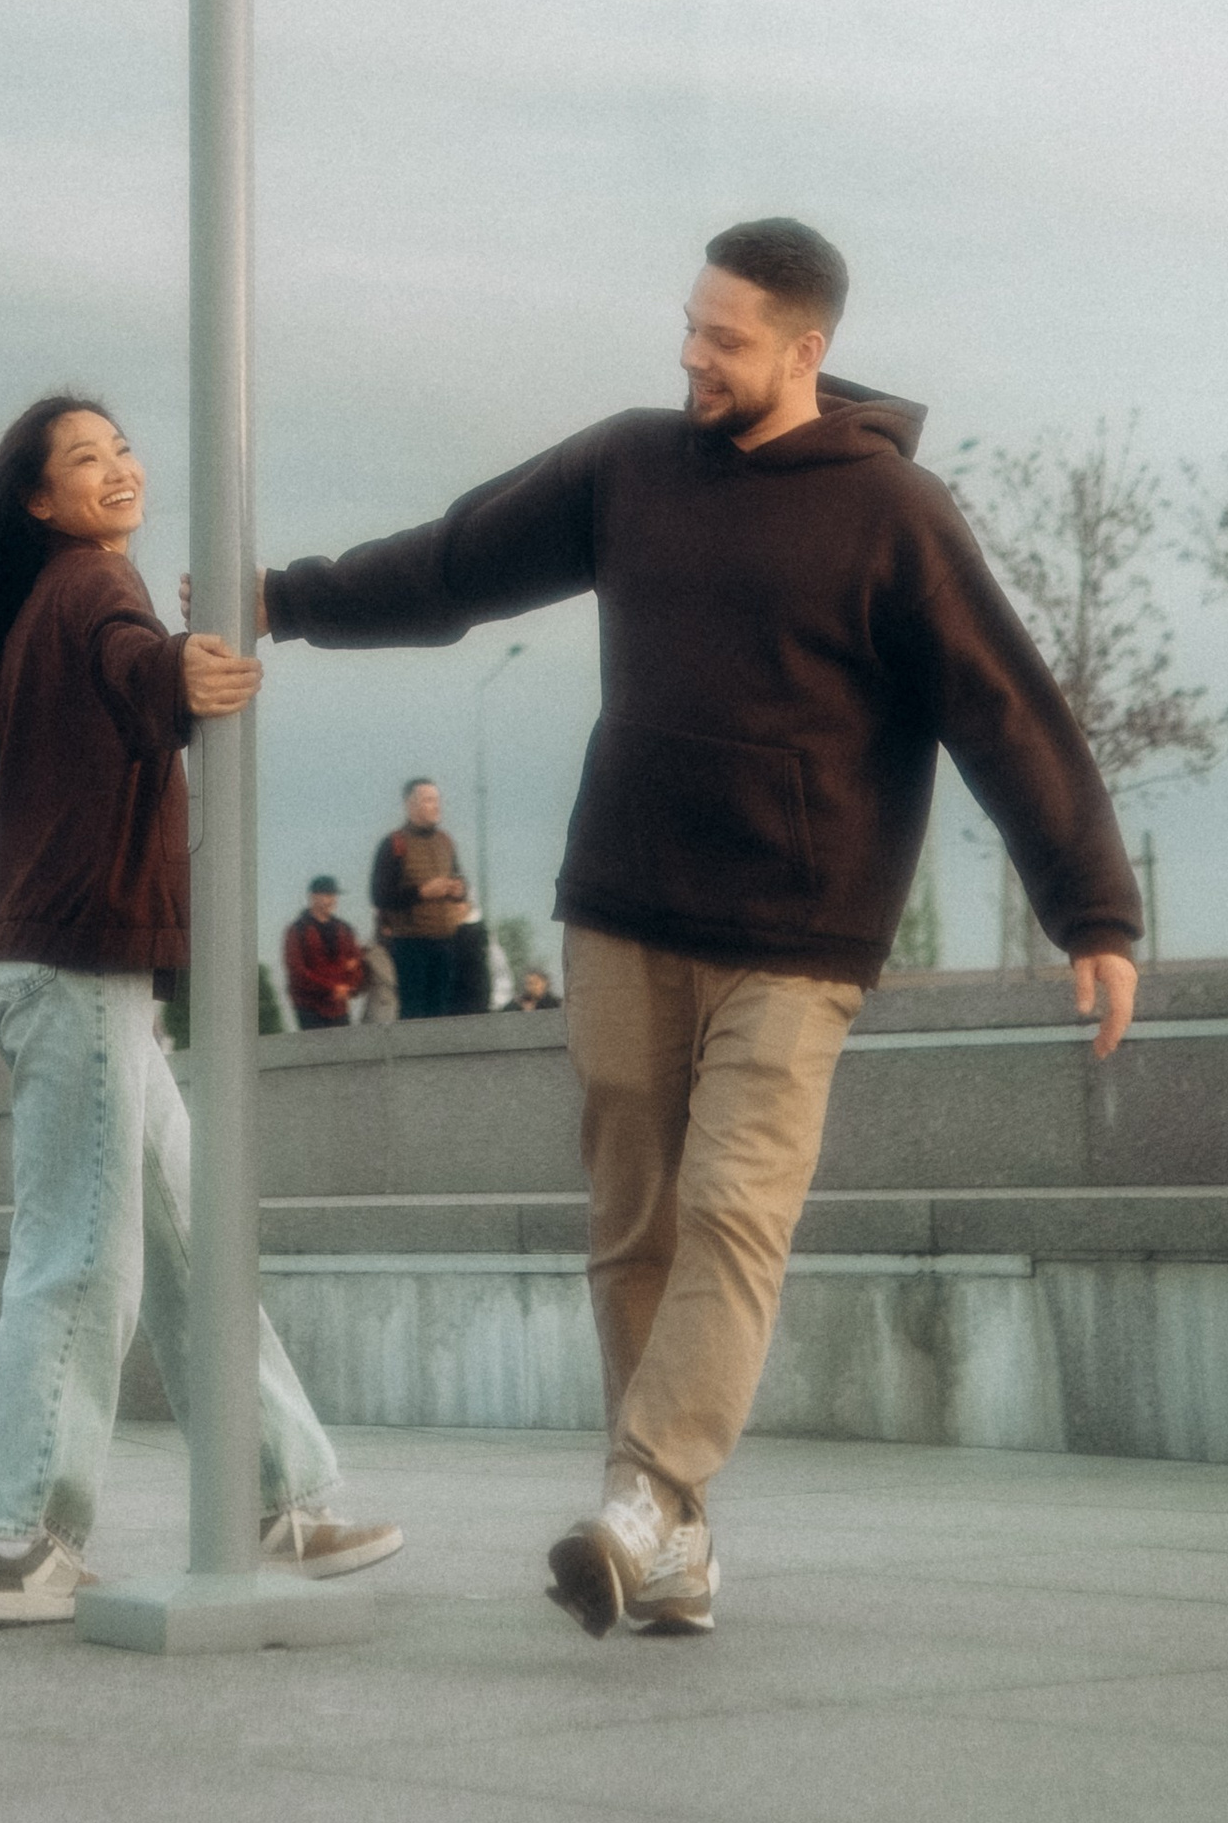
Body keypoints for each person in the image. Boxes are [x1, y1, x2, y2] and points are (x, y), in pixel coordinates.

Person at [264, 220, 1140, 1644]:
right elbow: (455, 566)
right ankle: (670, 1544)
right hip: (622, 907)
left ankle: (649, 1490)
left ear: (807, 351)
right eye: (690, 325)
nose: (692, 355)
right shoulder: (629, 466)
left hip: (799, 934)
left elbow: (1002, 707)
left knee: (735, 1212)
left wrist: (1091, 906)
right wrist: (287, 600)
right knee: (634, 1229)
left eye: (725, 339)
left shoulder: (891, 515)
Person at [0, 391, 402, 1626]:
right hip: (75, 970)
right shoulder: (90, 586)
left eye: (121, 449)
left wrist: (168, 675)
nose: (118, 469)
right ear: (42, 498)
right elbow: (135, 670)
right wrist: (182, 669)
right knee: (84, 1257)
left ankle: (282, 1489)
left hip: (76, 970)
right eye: (85, 459)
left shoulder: (54, 596)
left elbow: (119, 686)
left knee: (189, 1249)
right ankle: (16, 1534)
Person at [369, 779, 490, 1017]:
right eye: (428, 800)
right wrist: (421, 893)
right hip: (410, 944)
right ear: (409, 805)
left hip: (446, 942)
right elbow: (379, 895)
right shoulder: (394, 844)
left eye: (437, 800)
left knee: (443, 1013)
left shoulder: (446, 841)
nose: (437, 806)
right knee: (415, 1013)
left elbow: (460, 879)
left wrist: (459, 890)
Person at [283, 876, 367, 1030]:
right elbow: (297, 971)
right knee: (315, 1052)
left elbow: (357, 963)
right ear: (312, 897)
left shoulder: (345, 930)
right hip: (309, 1007)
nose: (333, 900)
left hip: (339, 1006)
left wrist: (350, 988)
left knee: (345, 1053)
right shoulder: (297, 931)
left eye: (334, 895)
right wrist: (331, 988)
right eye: (327, 895)